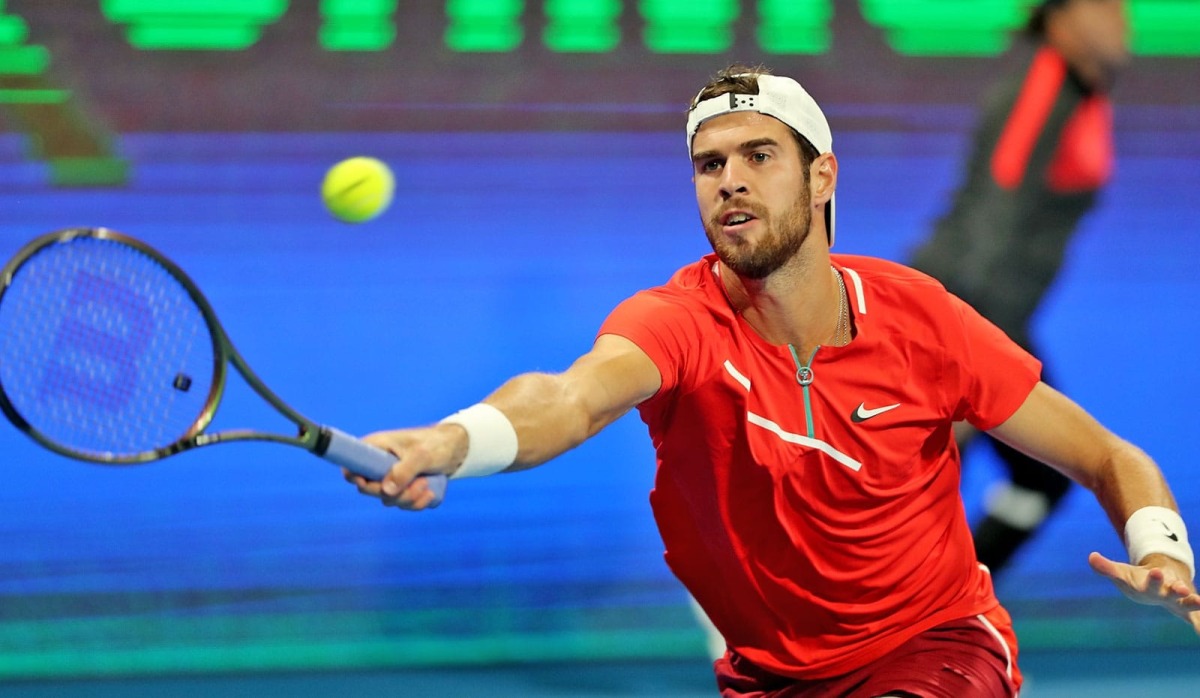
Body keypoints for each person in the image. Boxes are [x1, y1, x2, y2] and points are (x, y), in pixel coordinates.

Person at [345, 64, 1199, 696]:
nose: (731, 182)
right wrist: (448, 441)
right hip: (770, 676)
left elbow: (1105, 456)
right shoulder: (674, 321)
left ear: (822, 176)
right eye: (709, 164)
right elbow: (568, 399)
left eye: (758, 155)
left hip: (938, 650)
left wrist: (1160, 551)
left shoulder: (924, 320)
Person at [909, 0, 1130, 575]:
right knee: (909, 485)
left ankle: (951, 607)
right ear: (1059, 18)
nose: (1121, 18)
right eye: (1104, 6)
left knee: (1042, 478)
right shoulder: (1041, 91)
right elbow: (992, 220)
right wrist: (965, 363)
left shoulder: (1083, 92)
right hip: (968, 308)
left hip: (997, 318)